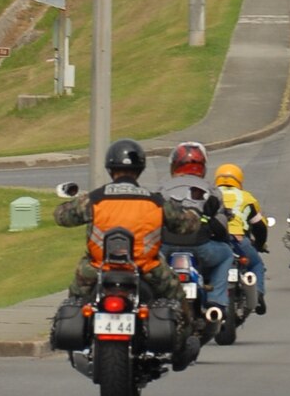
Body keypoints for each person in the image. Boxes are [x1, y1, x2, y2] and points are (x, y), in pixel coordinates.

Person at [54, 136, 203, 317]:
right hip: (147, 269)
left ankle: (79, 332)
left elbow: (62, 217)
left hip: (97, 268)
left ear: (110, 168)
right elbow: (187, 225)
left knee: (75, 301)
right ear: (140, 169)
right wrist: (195, 211)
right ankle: (184, 340)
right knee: (178, 300)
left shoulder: (94, 199)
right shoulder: (155, 202)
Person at [157, 140, 239, 316]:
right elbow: (221, 226)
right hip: (200, 246)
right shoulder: (212, 191)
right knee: (226, 254)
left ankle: (155, 298)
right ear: (203, 166)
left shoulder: (162, 189)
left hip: (167, 246)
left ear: (174, 165)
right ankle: (217, 300)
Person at [213, 162, 270, 314]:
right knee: (256, 264)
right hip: (238, 239)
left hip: (215, 240)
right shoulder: (246, 197)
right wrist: (259, 244)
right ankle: (257, 294)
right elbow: (259, 226)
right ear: (239, 180)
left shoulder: (210, 193)